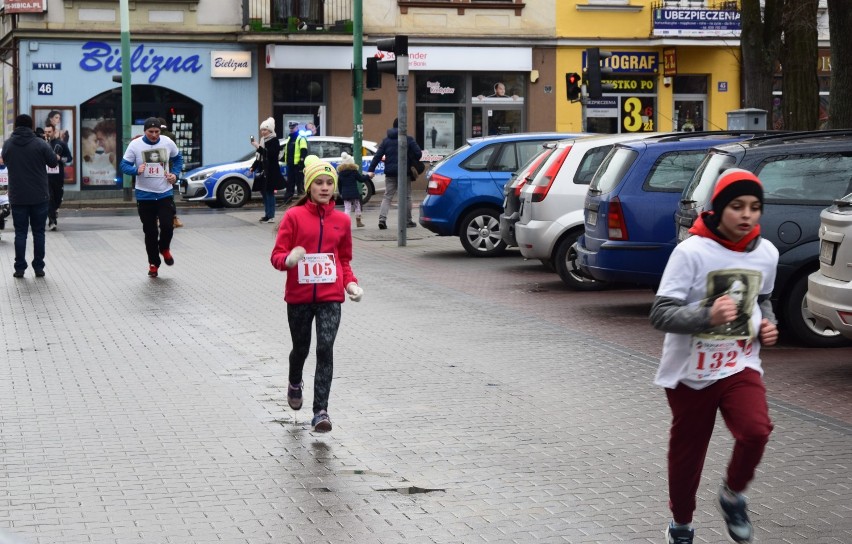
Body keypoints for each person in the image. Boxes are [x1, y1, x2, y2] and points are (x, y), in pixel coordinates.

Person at [649, 168, 780, 544]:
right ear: (719, 209)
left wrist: (767, 324)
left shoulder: (766, 253)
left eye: (755, 208)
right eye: (737, 206)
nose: (747, 215)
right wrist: (707, 314)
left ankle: (733, 494)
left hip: (739, 362)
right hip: (690, 371)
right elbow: (660, 314)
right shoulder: (690, 252)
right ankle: (681, 525)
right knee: (688, 453)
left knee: (756, 431)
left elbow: (763, 299)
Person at [270, 155, 363, 432]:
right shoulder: (294, 217)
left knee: (325, 349)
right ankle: (294, 381)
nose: (324, 187)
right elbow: (276, 256)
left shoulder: (342, 221)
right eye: (319, 182)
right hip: (298, 297)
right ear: (309, 186)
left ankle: (321, 411)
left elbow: (343, 260)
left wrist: (351, 284)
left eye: (329, 183)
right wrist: (289, 260)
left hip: (330, 298)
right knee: (301, 348)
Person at [119, 117, 184, 278]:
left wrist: (174, 175)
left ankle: (164, 248)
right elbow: (123, 165)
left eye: (157, 132)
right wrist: (136, 170)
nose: (154, 135)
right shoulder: (135, 145)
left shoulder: (168, 142)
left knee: (168, 226)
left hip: (165, 193)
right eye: (151, 132)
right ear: (144, 132)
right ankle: (154, 263)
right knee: (150, 232)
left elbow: (178, 159)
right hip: (144, 195)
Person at [1, 114, 58, 278]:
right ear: (30, 126)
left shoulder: (9, 144)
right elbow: (53, 162)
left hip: (18, 196)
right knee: (39, 232)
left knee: (20, 233)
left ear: (16, 126)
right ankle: (38, 267)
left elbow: (5, 160)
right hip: (39, 195)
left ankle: (19, 268)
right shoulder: (40, 143)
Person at [367, 118, 422, 230]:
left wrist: (371, 169)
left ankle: (382, 219)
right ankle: (407, 221)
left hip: (390, 173)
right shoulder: (408, 139)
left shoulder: (386, 141)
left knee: (387, 196)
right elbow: (418, 154)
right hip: (404, 173)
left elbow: (377, 156)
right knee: (406, 197)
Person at [250, 117, 285, 223]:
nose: (263, 132)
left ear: (270, 130)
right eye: (261, 130)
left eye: (265, 130)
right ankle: (267, 214)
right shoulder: (263, 140)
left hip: (271, 170)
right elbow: (259, 157)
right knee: (264, 193)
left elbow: (271, 154)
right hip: (263, 170)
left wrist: (258, 147)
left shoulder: (274, 140)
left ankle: (271, 215)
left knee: (269, 193)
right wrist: (253, 167)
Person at [43, 124, 73, 231]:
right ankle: (52, 221)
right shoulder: (42, 144)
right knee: (49, 197)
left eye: (49, 132)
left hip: (58, 175)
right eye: (45, 132)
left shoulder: (61, 144)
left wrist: (60, 158)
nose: (47, 134)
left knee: (58, 197)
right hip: (46, 176)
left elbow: (69, 158)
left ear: (54, 131)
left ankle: (54, 210)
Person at [157, 118, 184, 229]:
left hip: (155, 168)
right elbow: (175, 155)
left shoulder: (153, 136)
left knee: (156, 198)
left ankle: (157, 219)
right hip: (168, 170)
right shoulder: (170, 136)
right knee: (169, 197)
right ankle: (174, 218)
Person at [336, 152, 369, 228]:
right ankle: (358, 222)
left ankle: (345, 223)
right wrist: (368, 176)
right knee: (357, 206)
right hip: (354, 193)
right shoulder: (354, 172)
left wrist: (341, 193)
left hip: (345, 193)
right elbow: (361, 179)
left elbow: (339, 184)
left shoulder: (341, 173)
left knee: (347, 208)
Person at [281, 120, 308, 201]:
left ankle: (302, 201)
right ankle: (287, 200)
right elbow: (287, 151)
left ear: (297, 127)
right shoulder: (290, 138)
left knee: (300, 184)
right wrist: (282, 158)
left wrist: (301, 161)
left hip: (298, 165)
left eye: (293, 128)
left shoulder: (301, 138)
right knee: (290, 183)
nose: (291, 129)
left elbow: (304, 150)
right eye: (290, 128)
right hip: (290, 164)